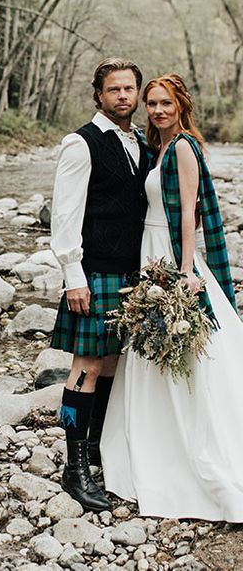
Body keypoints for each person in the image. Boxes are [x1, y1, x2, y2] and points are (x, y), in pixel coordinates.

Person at [102, 74, 243, 521]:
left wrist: (185, 273)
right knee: (152, 350)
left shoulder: (182, 147)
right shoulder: (156, 146)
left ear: (181, 105)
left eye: (166, 103)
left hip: (169, 257)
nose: (158, 110)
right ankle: (151, 438)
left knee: (183, 350)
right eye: (153, 104)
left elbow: (188, 213)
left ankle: (186, 450)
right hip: (148, 254)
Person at [49, 57, 149, 512]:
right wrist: (74, 276)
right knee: (85, 367)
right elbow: (65, 216)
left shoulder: (140, 142)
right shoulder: (80, 143)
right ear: (99, 95)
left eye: (129, 89)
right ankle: (74, 469)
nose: (123, 96)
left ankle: (94, 449)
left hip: (128, 273)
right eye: (114, 90)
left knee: (109, 364)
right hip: (94, 274)